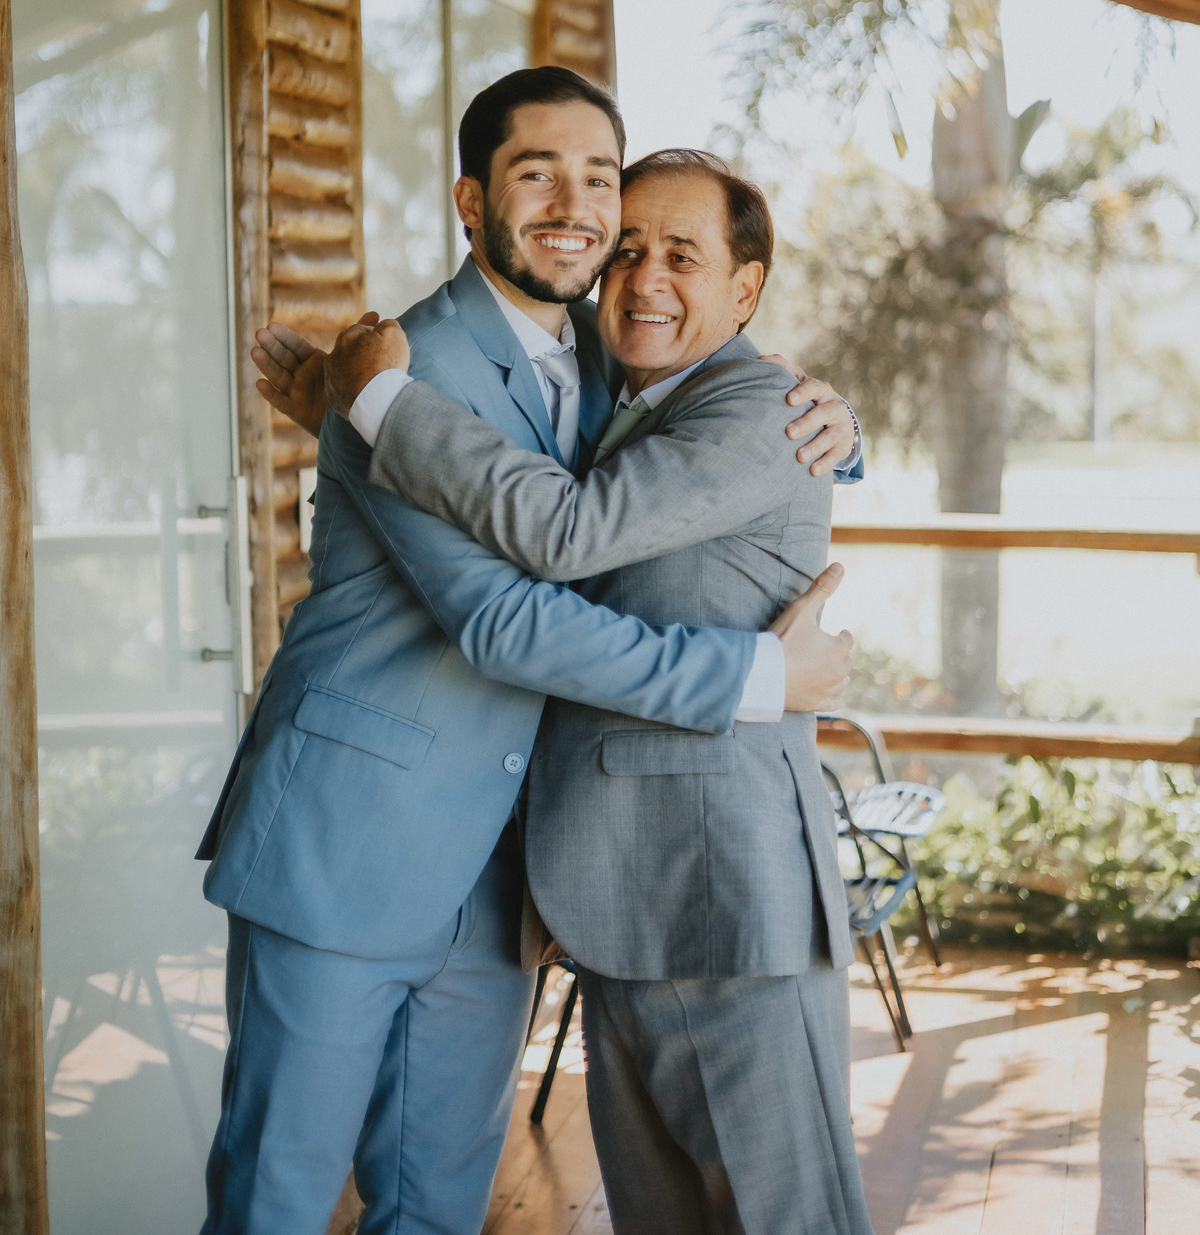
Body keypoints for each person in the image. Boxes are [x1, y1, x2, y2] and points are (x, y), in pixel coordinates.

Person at [207, 69, 860, 1235]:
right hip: (347, 841)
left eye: (598, 178)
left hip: (504, 878)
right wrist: (761, 679)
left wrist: (840, 426)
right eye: (537, 173)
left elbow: (714, 411)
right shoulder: (394, 376)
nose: (578, 207)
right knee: (276, 1205)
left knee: (437, 1210)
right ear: (472, 200)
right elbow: (505, 621)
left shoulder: (608, 366)